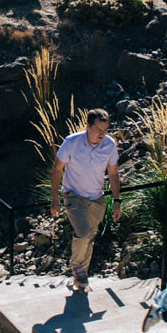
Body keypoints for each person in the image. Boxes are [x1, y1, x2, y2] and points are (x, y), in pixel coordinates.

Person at [50, 108, 121, 292]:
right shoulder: (72, 142)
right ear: (88, 126)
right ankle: (77, 268)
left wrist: (116, 200)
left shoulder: (109, 145)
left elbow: (113, 173)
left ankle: (81, 279)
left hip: (96, 198)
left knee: (90, 238)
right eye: (99, 130)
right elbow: (57, 169)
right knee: (83, 234)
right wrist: (55, 199)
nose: (103, 134)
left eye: (106, 130)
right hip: (73, 196)